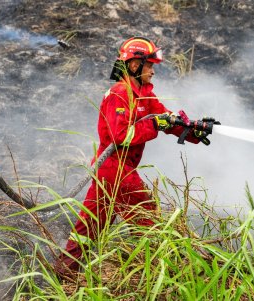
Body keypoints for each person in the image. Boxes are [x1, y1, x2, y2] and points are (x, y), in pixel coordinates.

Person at [54, 37, 211, 277]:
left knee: (88, 228)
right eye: (149, 65)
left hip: (112, 171)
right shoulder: (120, 93)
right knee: (149, 222)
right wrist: (154, 126)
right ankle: (163, 276)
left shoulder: (143, 94)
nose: (153, 71)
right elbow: (120, 136)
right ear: (135, 65)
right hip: (115, 170)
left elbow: (166, 119)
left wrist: (193, 130)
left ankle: (65, 274)